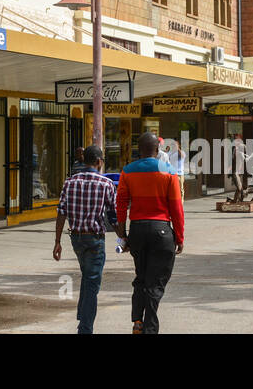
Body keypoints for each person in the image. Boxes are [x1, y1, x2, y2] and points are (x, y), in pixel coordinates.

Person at [116, 132, 184, 334]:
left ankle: (137, 321)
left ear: (139, 150)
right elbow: (176, 209)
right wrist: (179, 237)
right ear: (157, 150)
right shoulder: (168, 171)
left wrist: (122, 236)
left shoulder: (127, 171)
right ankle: (150, 327)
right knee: (156, 282)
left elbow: (120, 205)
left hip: (137, 229)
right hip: (161, 231)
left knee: (141, 277)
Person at [53, 145, 117, 334]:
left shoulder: (70, 182)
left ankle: (83, 314)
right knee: (92, 283)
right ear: (98, 162)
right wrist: (124, 237)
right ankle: (85, 328)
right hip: (95, 240)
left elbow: (61, 213)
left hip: (77, 240)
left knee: (87, 276)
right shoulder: (106, 184)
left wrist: (57, 242)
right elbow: (114, 216)